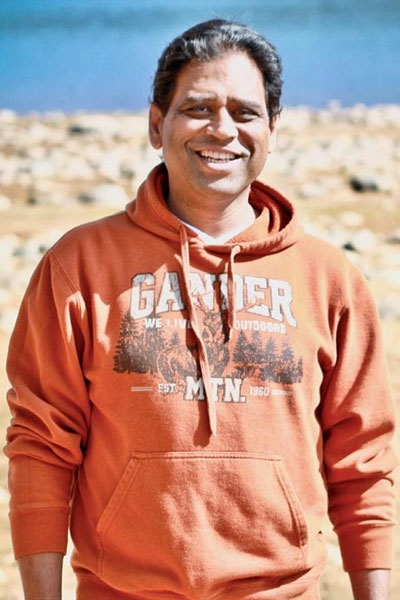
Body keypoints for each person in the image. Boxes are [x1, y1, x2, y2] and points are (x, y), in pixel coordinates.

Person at [5, 18, 397, 600]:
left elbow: (363, 462)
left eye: (244, 112)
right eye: (198, 108)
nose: (222, 130)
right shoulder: (78, 266)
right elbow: (41, 444)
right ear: (157, 124)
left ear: (271, 129)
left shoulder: (329, 278)